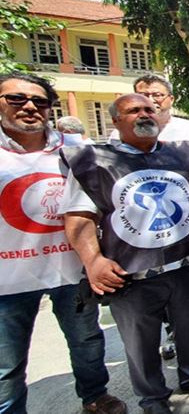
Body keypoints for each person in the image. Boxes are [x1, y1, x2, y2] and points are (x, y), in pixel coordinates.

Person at [62, 93, 189, 414]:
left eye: (150, 109)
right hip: (133, 273)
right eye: (134, 110)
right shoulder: (95, 161)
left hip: (186, 264)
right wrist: (93, 260)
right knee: (140, 342)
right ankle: (153, 397)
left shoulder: (182, 155)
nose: (144, 114)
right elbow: (79, 217)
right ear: (116, 120)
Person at [0, 73, 126, 414]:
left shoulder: (75, 151)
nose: (29, 106)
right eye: (16, 99)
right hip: (7, 280)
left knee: (87, 343)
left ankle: (95, 397)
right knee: (6, 365)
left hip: (72, 271)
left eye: (39, 101)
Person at [110, 74, 189, 171]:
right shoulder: (119, 133)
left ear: (171, 99)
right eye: (143, 95)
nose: (150, 100)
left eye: (157, 95)